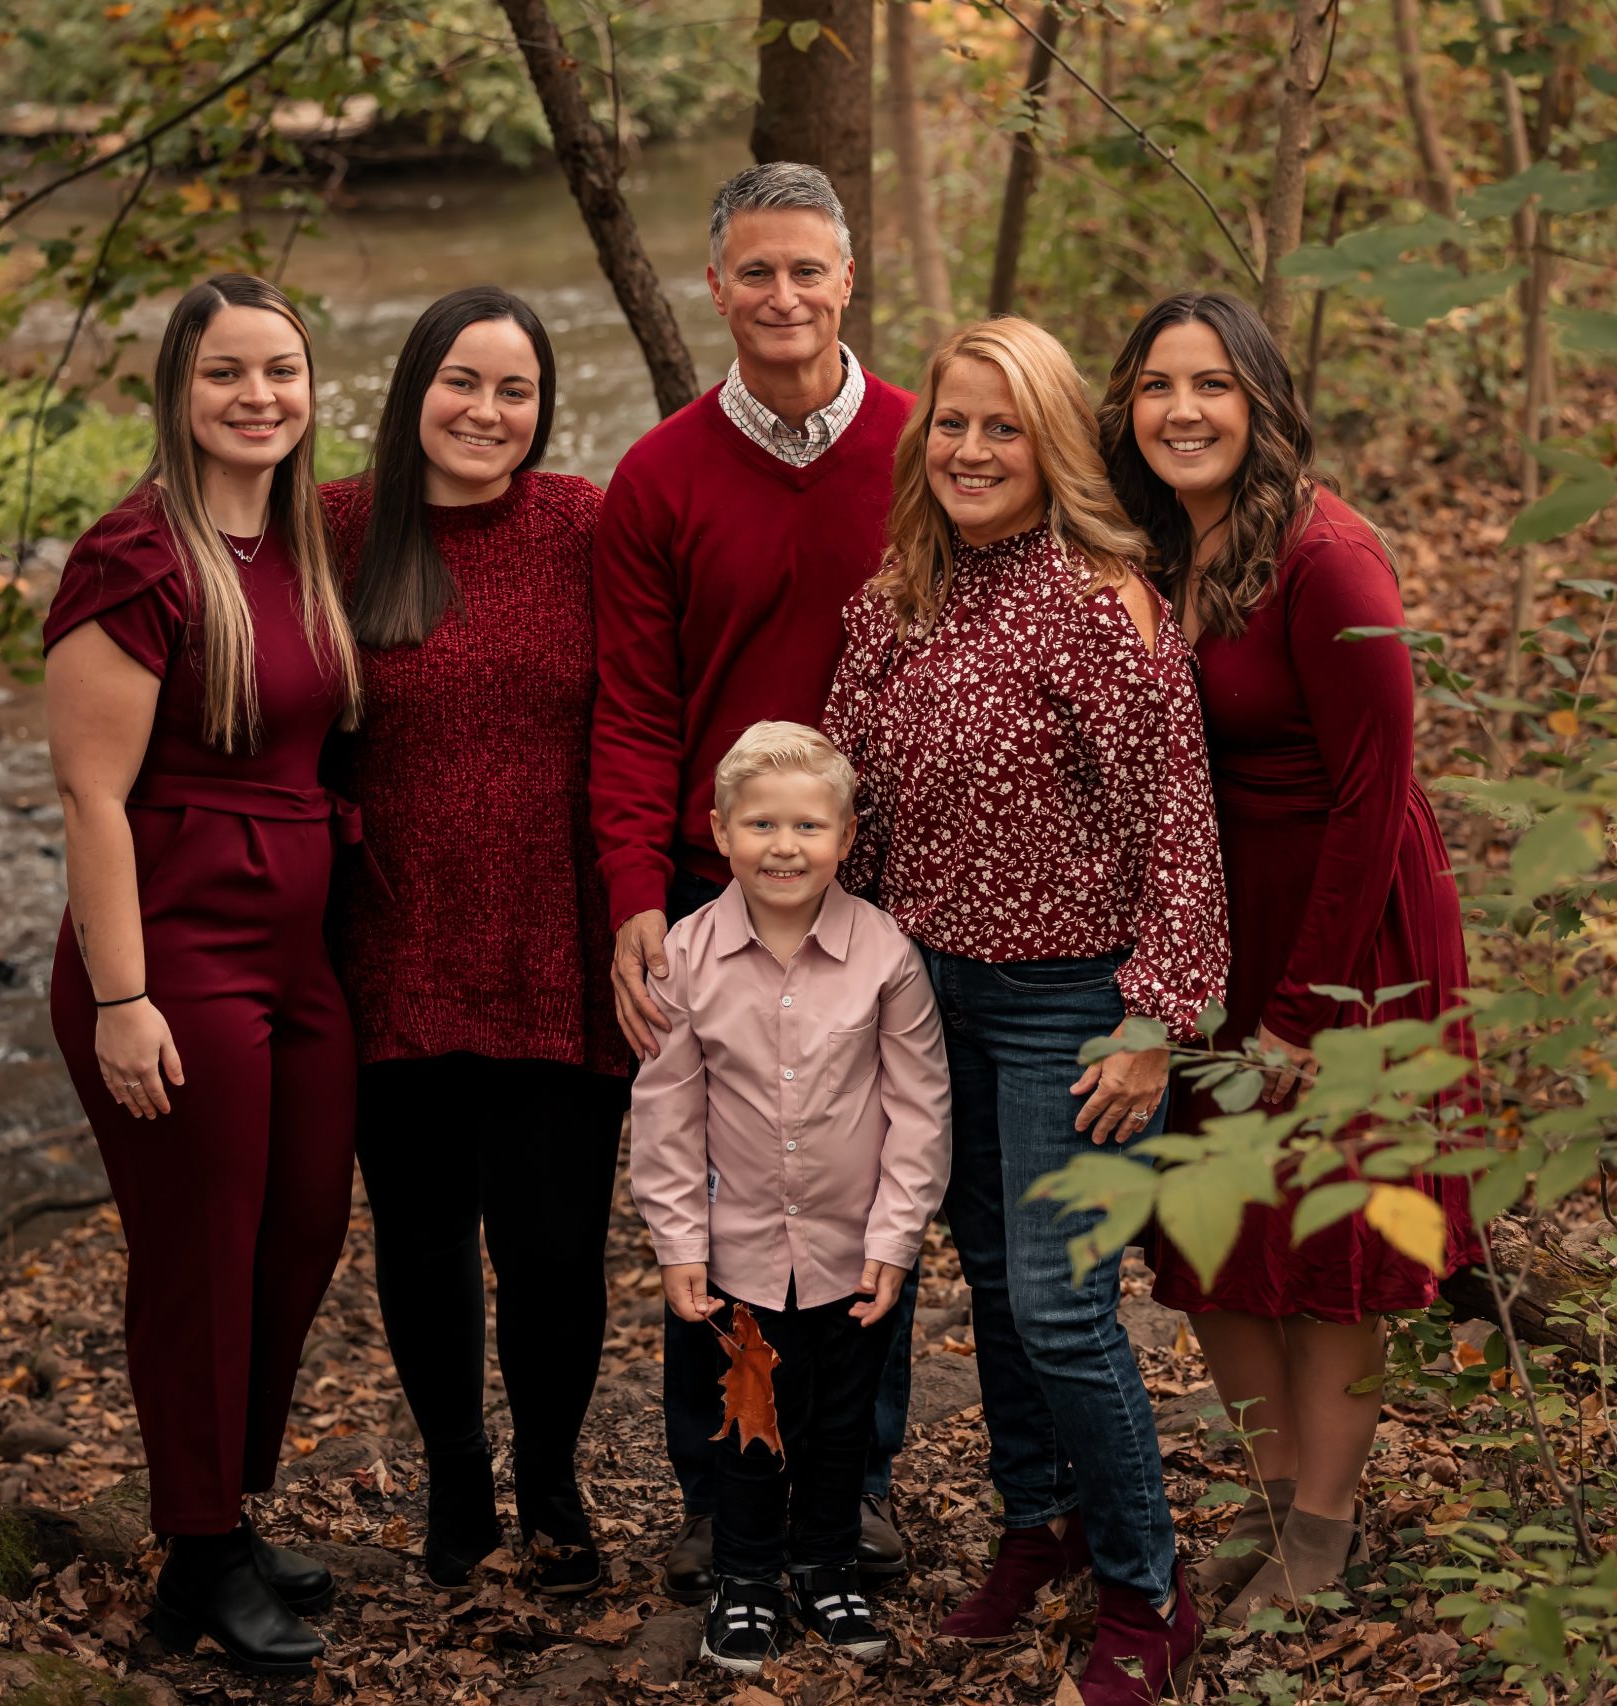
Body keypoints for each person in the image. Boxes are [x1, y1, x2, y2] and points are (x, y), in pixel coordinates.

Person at [822, 316, 1227, 1706]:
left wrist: (1153, 1017)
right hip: (928, 994)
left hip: (1068, 1003)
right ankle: (1035, 1522)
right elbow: (848, 818)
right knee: (994, 1282)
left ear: (1051, 442)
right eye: (952, 423)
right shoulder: (891, 605)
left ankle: (1145, 1587)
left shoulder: (1104, 603)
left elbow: (1179, 823)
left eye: (1004, 426)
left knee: (1063, 1310)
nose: (974, 449)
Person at [1097, 290, 1480, 1623]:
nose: (1183, 410)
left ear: (1263, 403)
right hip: (1209, 931)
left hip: (1345, 933)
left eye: (1211, 385)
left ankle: (1326, 1523)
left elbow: (1376, 799)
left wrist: (1305, 1015)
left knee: (1332, 1240)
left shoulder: (1331, 558)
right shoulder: (1152, 544)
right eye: (1156, 385)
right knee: (1213, 1227)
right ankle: (1270, 1488)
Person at [589, 161, 919, 1599]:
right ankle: (721, 1487)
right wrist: (632, 897)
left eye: (808, 270)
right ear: (713, 288)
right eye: (754, 272)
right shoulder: (657, 476)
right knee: (718, 1203)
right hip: (708, 887)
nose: (782, 296)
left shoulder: (926, 450)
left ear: (849, 280)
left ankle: (862, 1477)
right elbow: (634, 709)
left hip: (890, 887)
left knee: (856, 1193)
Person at [44, 274, 362, 1675]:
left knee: (299, 1232)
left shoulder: (303, 540)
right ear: (180, 388)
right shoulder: (136, 556)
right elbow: (88, 796)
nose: (259, 398)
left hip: (299, 948)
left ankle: (218, 1512)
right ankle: (200, 1549)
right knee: (200, 1253)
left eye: (281, 371)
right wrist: (122, 999)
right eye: (229, 373)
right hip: (172, 951)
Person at [319, 287, 630, 1596]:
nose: (487, 412)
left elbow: (657, 694)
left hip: (559, 941)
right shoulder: (338, 526)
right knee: (423, 1233)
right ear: (413, 389)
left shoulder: (584, 524)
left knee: (557, 1246)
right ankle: (457, 1484)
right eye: (463, 382)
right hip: (391, 940)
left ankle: (552, 1479)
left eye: (515, 390)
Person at [629, 723, 951, 1675]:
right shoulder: (687, 957)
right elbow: (668, 1113)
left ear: (847, 838)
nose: (784, 845)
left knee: (843, 1419)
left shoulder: (884, 954)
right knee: (749, 1418)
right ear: (720, 832)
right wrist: (680, 1243)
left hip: (855, 1250)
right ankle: (747, 1578)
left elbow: (920, 1107)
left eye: (809, 826)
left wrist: (896, 1240)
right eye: (760, 823)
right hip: (738, 1250)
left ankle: (826, 1563)